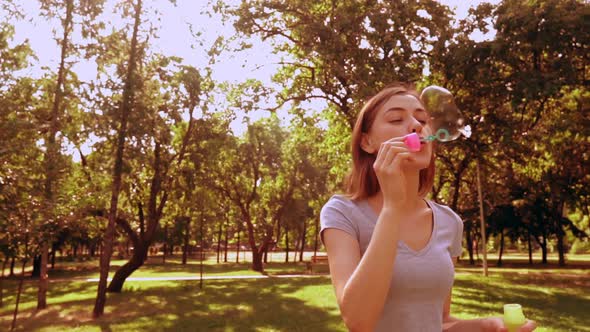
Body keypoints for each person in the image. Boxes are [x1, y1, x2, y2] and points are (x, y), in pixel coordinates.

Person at [320, 83, 536, 332]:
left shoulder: (448, 221)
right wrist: (392, 208)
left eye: (421, 118)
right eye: (396, 119)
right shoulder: (342, 213)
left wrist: (486, 326)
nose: (416, 125)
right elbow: (358, 321)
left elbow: (439, 322)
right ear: (367, 142)